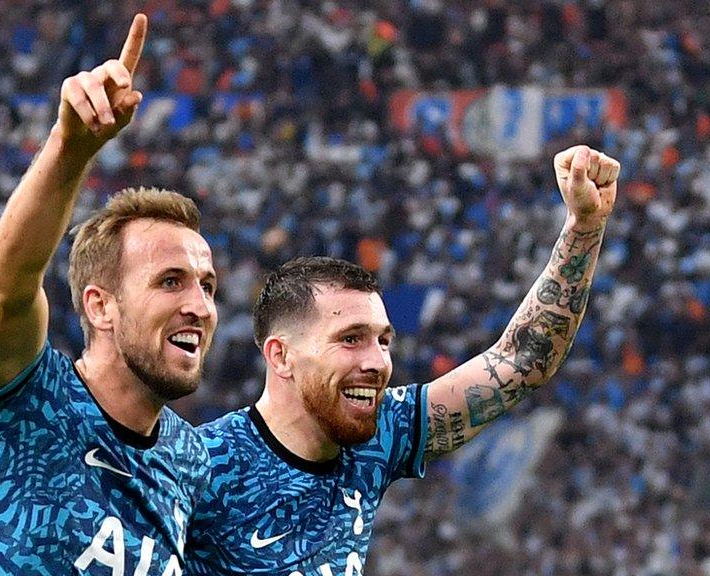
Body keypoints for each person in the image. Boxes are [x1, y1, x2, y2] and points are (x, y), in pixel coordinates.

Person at [185, 145, 621, 575]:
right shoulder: (201, 466)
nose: (377, 361)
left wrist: (583, 226)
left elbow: (522, 360)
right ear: (281, 356)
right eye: (351, 339)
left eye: (384, 341)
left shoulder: (380, 433)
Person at [0, 15, 220, 574]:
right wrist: (70, 148)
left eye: (207, 286)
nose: (200, 306)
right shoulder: (25, 394)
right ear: (99, 305)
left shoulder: (189, 463)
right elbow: (4, 291)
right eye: (169, 280)